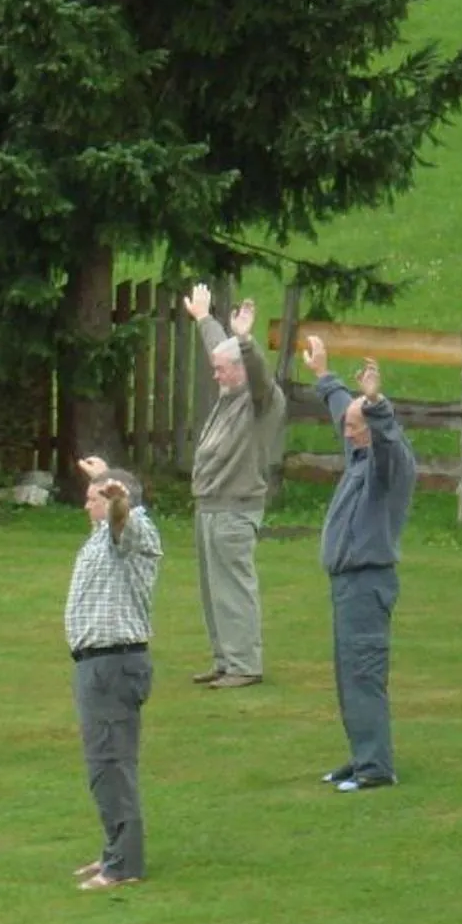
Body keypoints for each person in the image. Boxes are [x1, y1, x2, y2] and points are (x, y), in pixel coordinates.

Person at [303, 336, 416, 791]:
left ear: (372, 426)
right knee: (348, 674)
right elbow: (341, 414)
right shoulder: (360, 452)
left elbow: (384, 438)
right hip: (348, 585)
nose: (346, 434)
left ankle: (376, 768)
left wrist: (376, 404)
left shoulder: (390, 465)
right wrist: (324, 375)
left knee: (364, 673)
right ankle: (362, 754)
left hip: (369, 584)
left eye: (355, 427)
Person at [63, 457, 162, 891]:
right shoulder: (103, 534)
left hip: (111, 666)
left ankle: (123, 865)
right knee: (104, 763)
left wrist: (116, 500)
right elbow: (112, 519)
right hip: (99, 665)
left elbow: (124, 523)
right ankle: (114, 850)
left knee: (110, 764)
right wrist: (103, 476)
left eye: (92, 501)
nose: (87, 507)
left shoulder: (132, 531)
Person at [181, 283, 287, 689]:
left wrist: (244, 339)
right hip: (209, 507)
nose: (215, 374)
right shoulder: (230, 393)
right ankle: (226, 659)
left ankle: (245, 664)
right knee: (212, 591)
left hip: (234, 508)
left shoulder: (261, 399)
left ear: (241, 369)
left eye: (221, 369)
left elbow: (254, 368)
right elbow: (220, 352)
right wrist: (204, 319)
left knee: (233, 589)